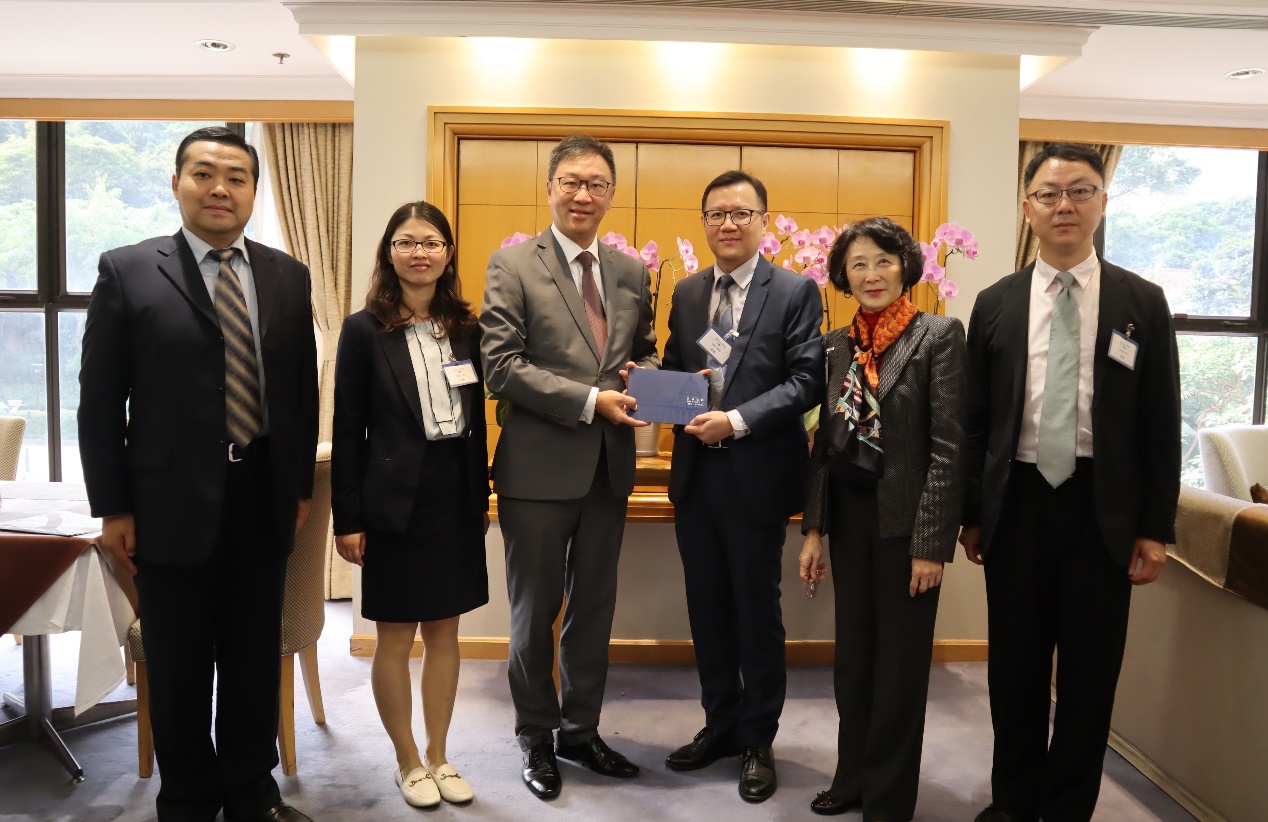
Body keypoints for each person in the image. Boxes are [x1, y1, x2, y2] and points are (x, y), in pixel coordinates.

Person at [78, 127, 318, 822]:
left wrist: (298, 485)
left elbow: (298, 391)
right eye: (205, 173)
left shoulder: (286, 275)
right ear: (178, 183)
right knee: (179, 662)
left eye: (237, 176)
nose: (221, 188)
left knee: (251, 657)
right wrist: (113, 506)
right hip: (167, 501)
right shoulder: (128, 271)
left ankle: (250, 791)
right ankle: (185, 798)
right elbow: (99, 401)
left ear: (253, 190)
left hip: (261, 494)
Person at [960, 142, 1181, 822]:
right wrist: (972, 514)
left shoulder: (1141, 301)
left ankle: (1066, 811)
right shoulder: (995, 303)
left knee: (1089, 679)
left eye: (1080, 191)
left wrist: (1155, 526)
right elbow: (975, 420)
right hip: (1017, 506)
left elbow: (1160, 421)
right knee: (1014, 674)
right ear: (1027, 208)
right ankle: (1014, 803)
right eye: (1050, 193)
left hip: (1102, 511)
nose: (1065, 205)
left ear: (1103, 203)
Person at [479, 135, 660, 800]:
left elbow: (638, 350)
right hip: (536, 469)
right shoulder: (512, 265)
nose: (584, 194)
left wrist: (653, 376)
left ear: (611, 194)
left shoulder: (631, 272)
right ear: (550, 188)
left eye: (597, 184)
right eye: (572, 182)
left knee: (594, 608)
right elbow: (501, 367)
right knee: (534, 610)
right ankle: (536, 733)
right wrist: (590, 400)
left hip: (607, 471)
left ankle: (581, 730)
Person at [657, 170, 823, 803]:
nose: (727, 224)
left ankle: (758, 738)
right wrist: (653, 385)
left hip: (757, 474)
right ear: (704, 223)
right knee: (708, 607)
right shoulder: (687, 290)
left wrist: (738, 419)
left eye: (740, 214)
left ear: (764, 222)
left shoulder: (795, 291)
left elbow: (806, 380)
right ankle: (720, 723)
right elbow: (680, 370)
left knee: (757, 611)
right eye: (716, 214)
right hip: (697, 476)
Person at [797, 217, 967, 820]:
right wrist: (815, 529)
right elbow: (824, 444)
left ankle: (890, 796)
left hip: (906, 527)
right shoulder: (834, 345)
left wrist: (931, 544)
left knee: (899, 667)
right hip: (847, 519)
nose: (871, 274)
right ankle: (852, 777)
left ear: (906, 268)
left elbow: (950, 447)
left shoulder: (938, 335)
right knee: (854, 662)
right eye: (858, 264)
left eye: (883, 261)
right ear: (843, 274)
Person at [331, 201, 490, 809]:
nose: (419, 252)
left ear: (448, 253)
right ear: (389, 252)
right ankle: (406, 761)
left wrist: (480, 498)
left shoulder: (467, 330)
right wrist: (349, 518)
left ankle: (440, 754)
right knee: (395, 634)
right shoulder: (363, 330)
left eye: (431, 242)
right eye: (406, 242)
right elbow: (348, 429)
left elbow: (476, 422)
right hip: (392, 501)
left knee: (445, 630)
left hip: (453, 493)